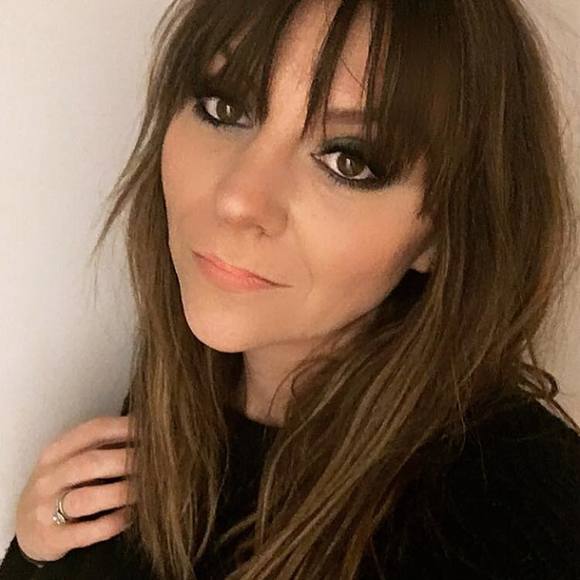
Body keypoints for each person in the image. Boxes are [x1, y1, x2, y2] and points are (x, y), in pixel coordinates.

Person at [1, 0, 579, 578]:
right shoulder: (179, 401)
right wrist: (35, 557)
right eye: (225, 109)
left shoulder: (523, 508)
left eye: (348, 160)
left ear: (443, 235)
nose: (238, 199)